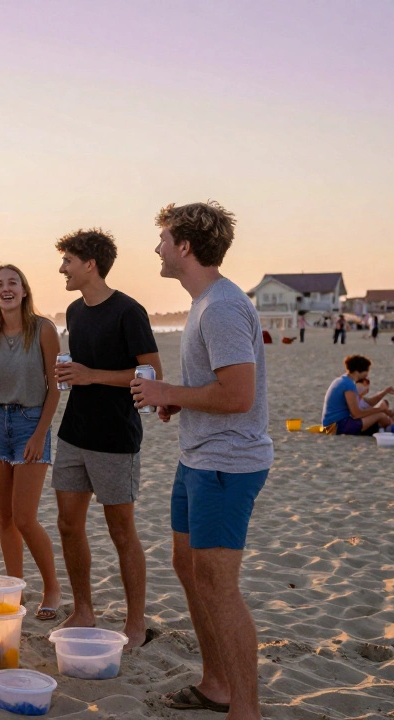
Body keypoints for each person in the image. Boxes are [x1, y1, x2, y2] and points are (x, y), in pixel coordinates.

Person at [131, 201, 273, 719]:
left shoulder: (223, 307)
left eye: (164, 238)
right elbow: (217, 387)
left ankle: (246, 710)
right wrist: (176, 398)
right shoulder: (204, 304)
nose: (158, 248)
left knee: (218, 582)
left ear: (185, 245)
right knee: (189, 568)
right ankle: (217, 684)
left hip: (228, 463)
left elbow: (237, 395)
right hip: (198, 457)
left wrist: (171, 389)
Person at [51, 228, 159, 645]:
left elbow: (152, 375)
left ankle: (135, 623)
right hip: (73, 432)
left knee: (121, 531)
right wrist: (70, 374)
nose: (62, 268)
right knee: (67, 525)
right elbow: (79, 369)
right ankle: (83, 610)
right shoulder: (74, 311)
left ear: (89, 264)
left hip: (116, 437)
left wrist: (91, 375)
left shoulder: (129, 311)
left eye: (68, 261)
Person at [0, 264, 63, 622]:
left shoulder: (43, 329)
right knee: (6, 517)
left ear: (24, 291)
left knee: (25, 518)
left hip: (30, 423)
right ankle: (15, 587)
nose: (6, 289)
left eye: (13, 283)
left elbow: (55, 388)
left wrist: (40, 434)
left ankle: (52, 587)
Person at [321, 355, 394, 435]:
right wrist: (380, 410)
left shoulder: (342, 380)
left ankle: (388, 427)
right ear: (356, 372)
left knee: (380, 413)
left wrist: (384, 392)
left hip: (334, 423)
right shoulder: (348, 385)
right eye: (366, 371)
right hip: (337, 426)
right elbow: (356, 414)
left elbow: (368, 402)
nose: (367, 374)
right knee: (381, 416)